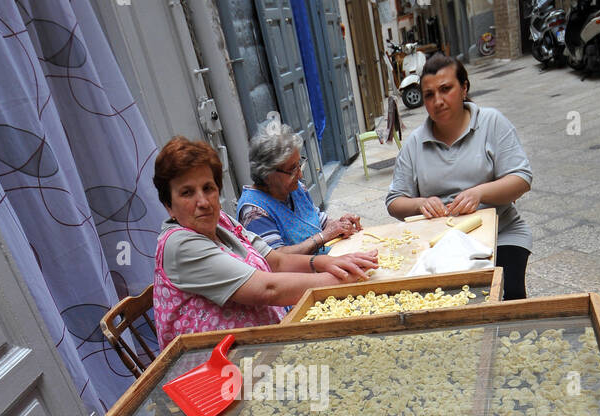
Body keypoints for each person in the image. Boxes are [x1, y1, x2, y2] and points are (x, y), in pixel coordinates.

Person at [151, 137, 378, 347]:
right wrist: (343, 280)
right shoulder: (180, 245)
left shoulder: (221, 221)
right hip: (222, 371)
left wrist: (324, 263)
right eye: (187, 193)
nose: (203, 202)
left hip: (264, 341)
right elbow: (269, 289)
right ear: (168, 205)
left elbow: (276, 261)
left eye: (208, 188)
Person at [385, 53, 532, 298]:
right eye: (429, 95)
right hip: (439, 242)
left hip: (501, 235)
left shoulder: (491, 122)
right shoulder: (414, 144)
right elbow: (394, 202)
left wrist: (480, 192)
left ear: (464, 88)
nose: (438, 101)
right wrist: (420, 204)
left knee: (504, 301)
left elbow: (521, 179)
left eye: (446, 89)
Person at [237, 122, 362, 255]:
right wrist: (323, 236)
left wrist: (340, 224)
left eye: (299, 164)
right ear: (267, 174)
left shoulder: (296, 189)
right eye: (292, 169)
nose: (300, 174)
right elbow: (278, 259)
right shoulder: (253, 210)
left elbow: (317, 221)